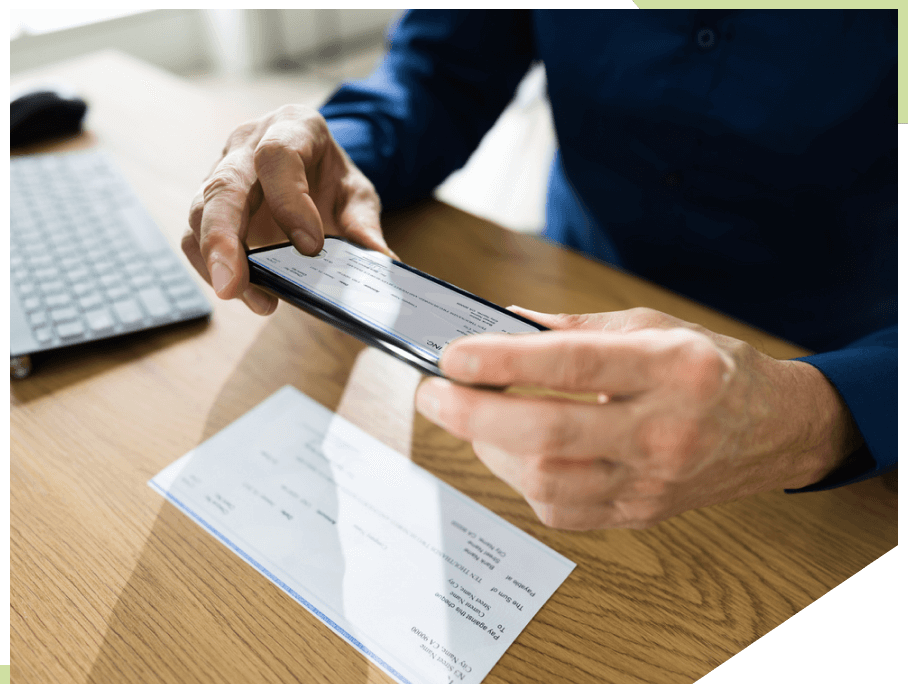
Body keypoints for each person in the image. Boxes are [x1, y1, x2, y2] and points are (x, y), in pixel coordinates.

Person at [182, 10, 897, 530]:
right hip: (563, 298)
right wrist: (340, 150)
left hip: (838, 368)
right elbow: (440, 72)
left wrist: (814, 417)